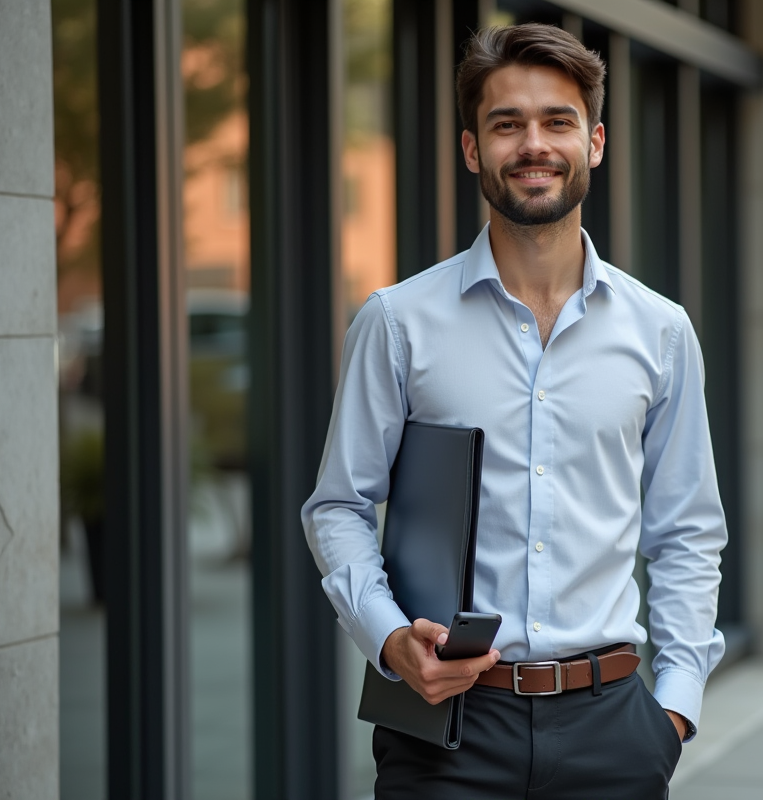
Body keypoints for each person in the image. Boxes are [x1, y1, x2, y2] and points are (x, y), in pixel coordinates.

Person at [302, 22, 727, 799]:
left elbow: (688, 531)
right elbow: (338, 506)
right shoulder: (398, 323)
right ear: (472, 149)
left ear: (594, 142)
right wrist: (392, 640)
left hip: (616, 732)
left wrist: (673, 711)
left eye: (557, 121)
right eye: (507, 124)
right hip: (445, 733)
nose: (534, 144)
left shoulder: (661, 332)